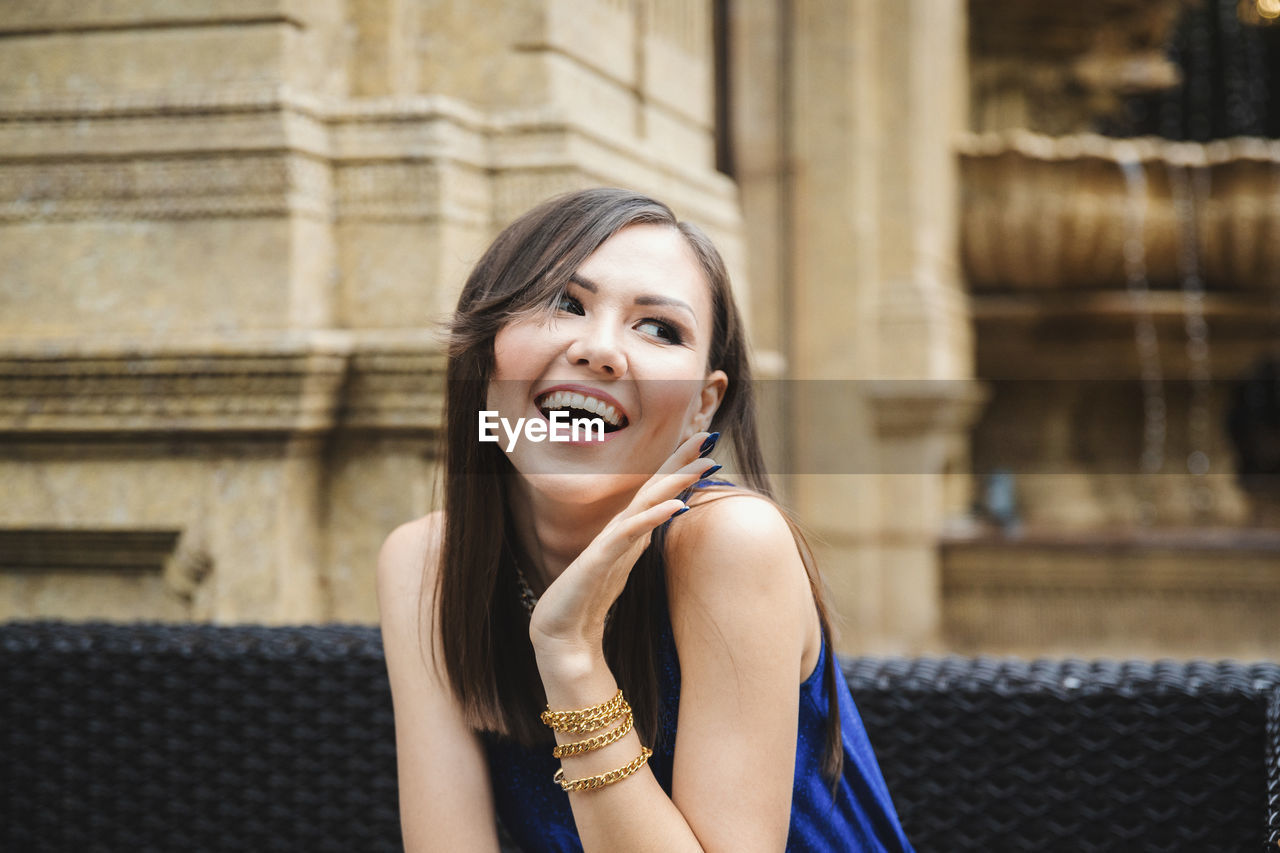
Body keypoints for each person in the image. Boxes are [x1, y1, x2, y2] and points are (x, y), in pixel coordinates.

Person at [377, 188, 915, 852]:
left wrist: (571, 655)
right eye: (564, 303)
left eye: (658, 327)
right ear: (486, 350)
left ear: (701, 406)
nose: (601, 350)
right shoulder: (423, 565)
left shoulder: (732, 543)